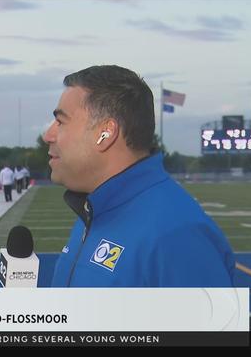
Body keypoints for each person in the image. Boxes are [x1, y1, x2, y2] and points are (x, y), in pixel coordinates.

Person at [44, 65, 234, 287]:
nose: (48, 135)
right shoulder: (96, 210)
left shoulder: (177, 235)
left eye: (61, 121)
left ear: (105, 134)